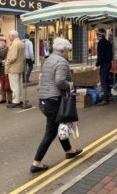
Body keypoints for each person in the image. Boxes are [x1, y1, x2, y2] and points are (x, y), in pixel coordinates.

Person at [32, 37, 82, 173]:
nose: (68, 53)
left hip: (44, 100)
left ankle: (69, 151)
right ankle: (36, 163)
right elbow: (60, 81)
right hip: (53, 100)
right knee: (50, 133)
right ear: (63, 50)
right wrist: (70, 85)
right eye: (67, 51)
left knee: (61, 125)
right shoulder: (62, 62)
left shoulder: (48, 60)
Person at [5, 30, 25, 108]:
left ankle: (15, 101)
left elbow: (12, 57)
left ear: (13, 36)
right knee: (19, 84)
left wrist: (7, 64)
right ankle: (19, 99)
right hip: (19, 67)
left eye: (9, 36)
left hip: (13, 67)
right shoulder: (20, 43)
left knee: (14, 85)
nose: (9, 37)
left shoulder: (15, 44)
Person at [96, 29, 113, 106]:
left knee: (103, 81)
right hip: (108, 63)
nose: (96, 36)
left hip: (104, 64)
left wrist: (97, 64)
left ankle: (105, 99)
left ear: (100, 35)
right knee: (106, 80)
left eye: (97, 35)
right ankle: (107, 96)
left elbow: (101, 56)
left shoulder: (101, 43)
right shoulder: (108, 43)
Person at [0, 36, 12, 104]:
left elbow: (10, 59)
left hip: (7, 70)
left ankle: (9, 99)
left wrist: (5, 61)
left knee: (8, 84)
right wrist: (1, 62)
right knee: (2, 85)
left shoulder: (8, 50)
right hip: (0, 71)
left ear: (4, 43)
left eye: (1, 42)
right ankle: (3, 98)